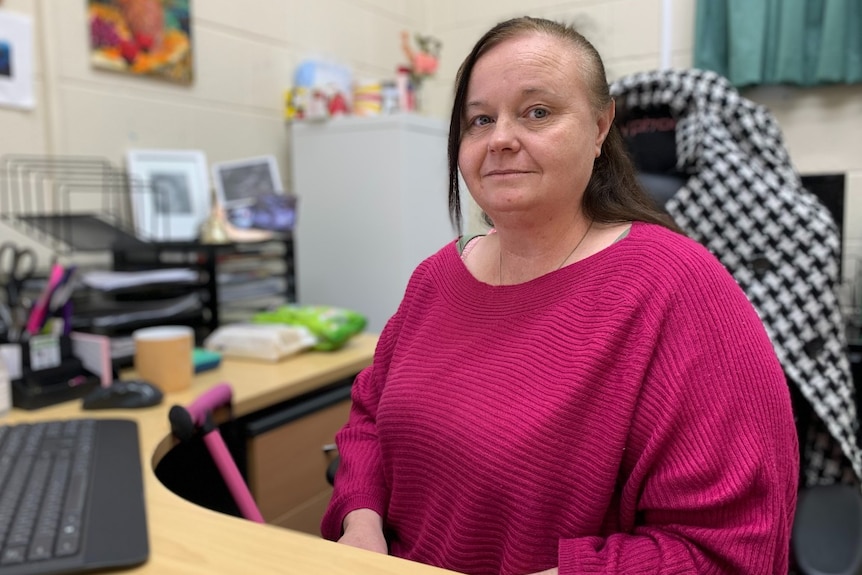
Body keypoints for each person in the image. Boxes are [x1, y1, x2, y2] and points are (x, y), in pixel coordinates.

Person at [321, 16, 799, 575]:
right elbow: (370, 420)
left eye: (537, 112)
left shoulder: (679, 289)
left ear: (600, 127)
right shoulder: (434, 278)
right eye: (479, 119)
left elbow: (730, 548)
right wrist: (361, 521)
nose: (499, 138)